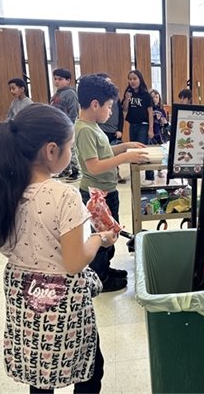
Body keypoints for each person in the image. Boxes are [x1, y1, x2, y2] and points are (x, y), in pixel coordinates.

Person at [0, 104, 118, 393]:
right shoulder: (64, 196)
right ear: (51, 150)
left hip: (28, 305)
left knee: (40, 374)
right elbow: (73, 262)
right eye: (70, 149)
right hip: (65, 309)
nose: (72, 156)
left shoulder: (4, 189)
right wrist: (100, 239)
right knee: (89, 372)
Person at [75, 74, 149, 292]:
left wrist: (125, 146)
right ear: (95, 104)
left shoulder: (93, 126)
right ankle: (100, 278)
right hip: (95, 195)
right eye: (108, 107)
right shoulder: (85, 130)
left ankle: (105, 269)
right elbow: (94, 166)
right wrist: (126, 158)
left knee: (110, 233)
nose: (110, 111)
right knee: (101, 237)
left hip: (106, 192)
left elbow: (105, 153)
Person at [121, 69, 154, 183]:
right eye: (130, 79)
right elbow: (124, 109)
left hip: (143, 126)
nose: (132, 81)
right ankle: (135, 174)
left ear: (140, 79)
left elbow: (150, 112)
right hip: (132, 125)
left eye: (135, 79)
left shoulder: (145, 94)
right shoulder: (128, 93)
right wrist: (126, 99)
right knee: (132, 150)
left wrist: (151, 129)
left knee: (144, 149)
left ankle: (149, 176)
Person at [50, 68, 81, 181]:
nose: (57, 81)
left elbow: (74, 111)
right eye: (55, 79)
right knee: (61, 148)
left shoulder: (70, 93)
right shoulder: (56, 94)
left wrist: (70, 126)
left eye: (60, 79)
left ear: (68, 80)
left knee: (71, 149)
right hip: (58, 126)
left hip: (68, 126)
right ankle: (65, 170)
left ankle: (76, 171)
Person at [96, 73, 126, 183]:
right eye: (106, 82)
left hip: (114, 130)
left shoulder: (115, 97)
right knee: (104, 154)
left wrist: (120, 129)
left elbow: (120, 114)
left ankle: (116, 173)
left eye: (110, 82)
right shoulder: (98, 99)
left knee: (114, 153)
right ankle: (107, 175)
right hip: (102, 129)